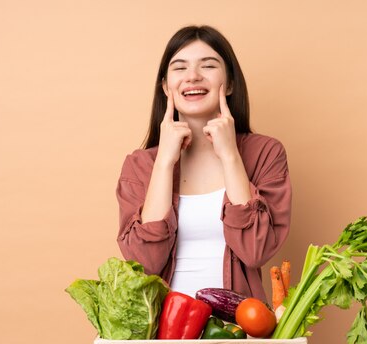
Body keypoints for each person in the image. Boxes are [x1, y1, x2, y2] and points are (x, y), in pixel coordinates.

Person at [116, 25, 291, 303]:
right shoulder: (140, 165)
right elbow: (143, 263)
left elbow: (256, 250)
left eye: (208, 66)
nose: (193, 77)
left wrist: (231, 156)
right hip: (162, 333)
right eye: (180, 68)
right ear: (165, 86)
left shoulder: (265, 153)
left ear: (230, 83)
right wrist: (163, 163)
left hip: (239, 332)